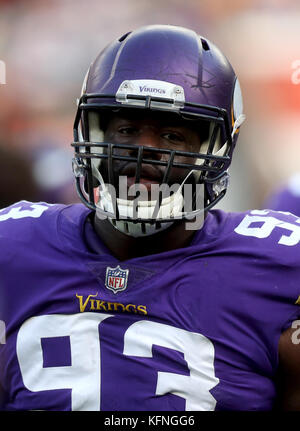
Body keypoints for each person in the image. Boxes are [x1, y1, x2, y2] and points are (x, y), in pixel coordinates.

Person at [1, 24, 300, 412]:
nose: (144, 152)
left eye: (173, 137)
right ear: (91, 133)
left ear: (218, 147)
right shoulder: (13, 248)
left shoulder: (277, 268)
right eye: (127, 129)